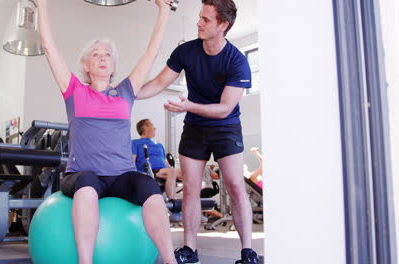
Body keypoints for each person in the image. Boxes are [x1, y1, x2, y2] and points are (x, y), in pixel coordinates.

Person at [37, 1, 180, 264]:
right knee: (88, 183)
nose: (103, 58)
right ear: (86, 65)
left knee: (149, 187)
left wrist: (163, 10)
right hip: (81, 175)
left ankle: (170, 260)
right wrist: (42, 6)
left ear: (114, 65)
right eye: (96, 54)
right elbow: (49, 48)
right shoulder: (74, 91)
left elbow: (152, 53)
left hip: (121, 175)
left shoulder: (126, 92)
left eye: (108, 55)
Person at [136, 0, 259, 263]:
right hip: (195, 128)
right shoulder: (187, 51)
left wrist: (189, 105)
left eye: (206, 19)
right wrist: (127, 94)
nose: (198, 23)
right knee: (190, 187)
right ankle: (189, 250)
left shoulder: (237, 61)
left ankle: (248, 251)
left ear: (223, 25)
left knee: (236, 186)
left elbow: (226, 108)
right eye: (199, 17)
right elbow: (159, 82)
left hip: (225, 128)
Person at [132, 119, 183, 200]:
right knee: (171, 172)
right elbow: (132, 161)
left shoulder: (159, 145)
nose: (155, 129)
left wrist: (175, 173)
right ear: (145, 128)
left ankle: (195, 196)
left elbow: (167, 164)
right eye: (152, 126)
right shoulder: (135, 143)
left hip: (164, 171)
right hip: (148, 170)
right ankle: (172, 201)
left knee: (188, 172)